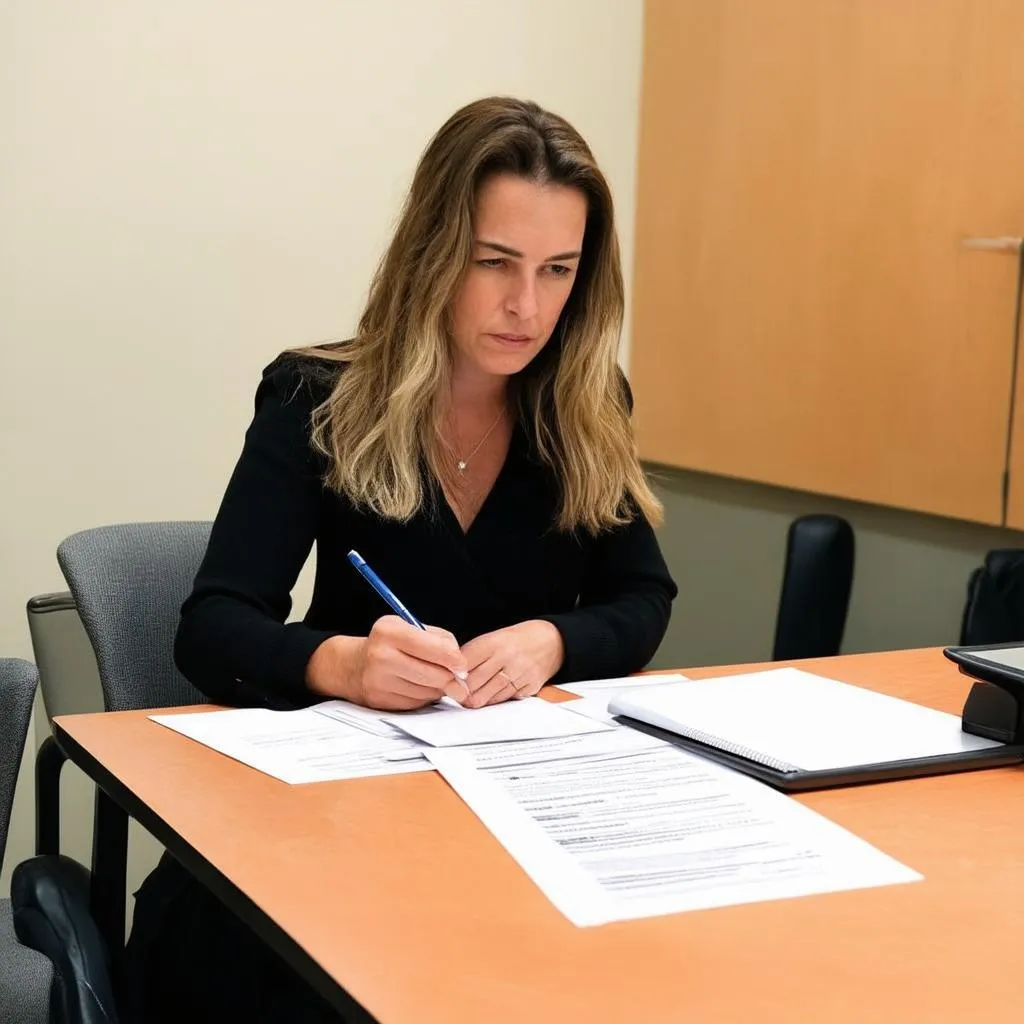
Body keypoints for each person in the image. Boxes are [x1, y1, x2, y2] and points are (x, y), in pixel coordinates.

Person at [123, 96, 677, 1023]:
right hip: (330, 839)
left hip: (511, 832)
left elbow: (642, 596)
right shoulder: (318, 396)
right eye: (495, 263)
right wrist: (339, 662)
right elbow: (212, 627)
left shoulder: (584, 402)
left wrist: (552, 642)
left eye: (558, 271)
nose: (526, 306)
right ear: (433, 255)